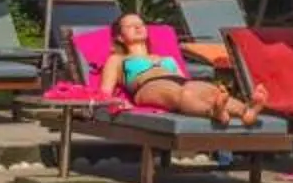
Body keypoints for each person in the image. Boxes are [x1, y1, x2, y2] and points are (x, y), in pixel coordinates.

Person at [98, 12, 263, 125]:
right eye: (130, 26)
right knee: (183, 94)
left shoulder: (165, 58)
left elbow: (182, 79)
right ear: (119, 37)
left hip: (181, 81)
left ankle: (247, 111)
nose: (138, 27)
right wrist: (119, 104)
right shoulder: (117, 60)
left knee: (211, 91)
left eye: (140, 24)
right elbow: (104, 92)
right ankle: (212, 111)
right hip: (147, 85)